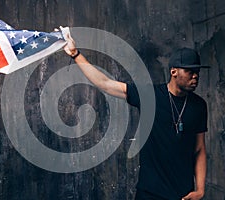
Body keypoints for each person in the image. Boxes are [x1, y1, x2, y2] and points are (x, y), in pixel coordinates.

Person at [63, 33, 209, 200]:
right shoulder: (150, 96)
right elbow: (105, 83)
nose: (195, 76)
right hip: (151, 193)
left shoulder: (199, 106)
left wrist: (200, 190)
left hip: (184, 194)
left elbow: (199, 149)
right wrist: (76, 54)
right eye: (190, 71)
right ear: (174, 71)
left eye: (197, 71)